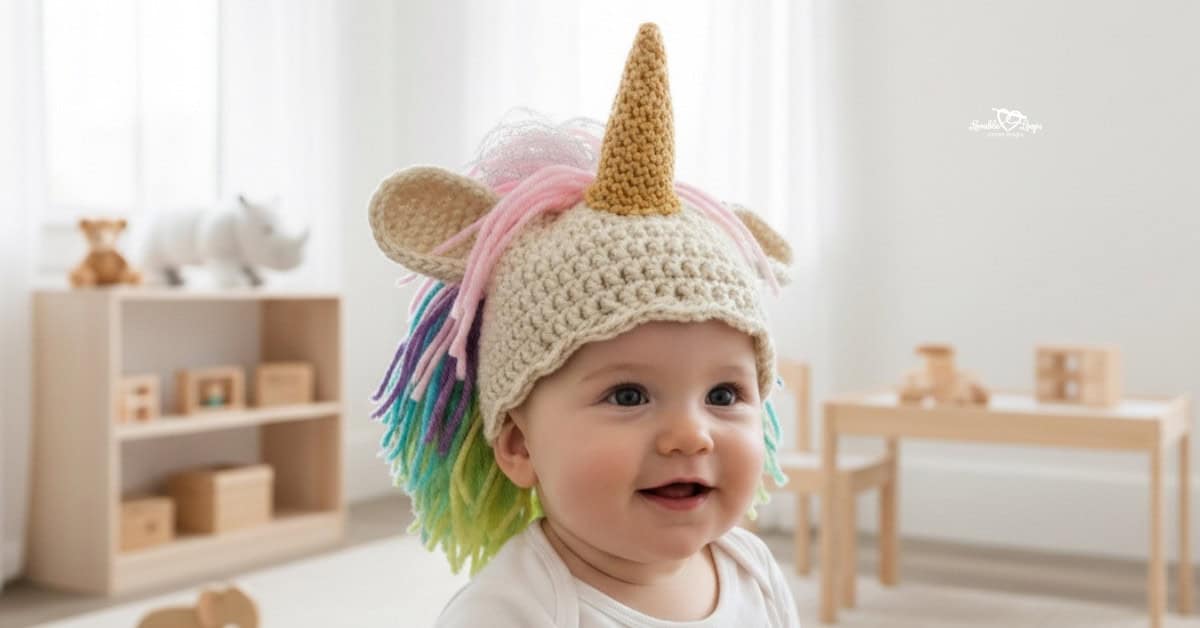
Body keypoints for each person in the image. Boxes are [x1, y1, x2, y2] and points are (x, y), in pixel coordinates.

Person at [367, 22, 801, 628]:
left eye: (724, 394)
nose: (690, 434)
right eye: (629, 394)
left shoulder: (751, 567)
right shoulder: (513, 613)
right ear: (519, 445)